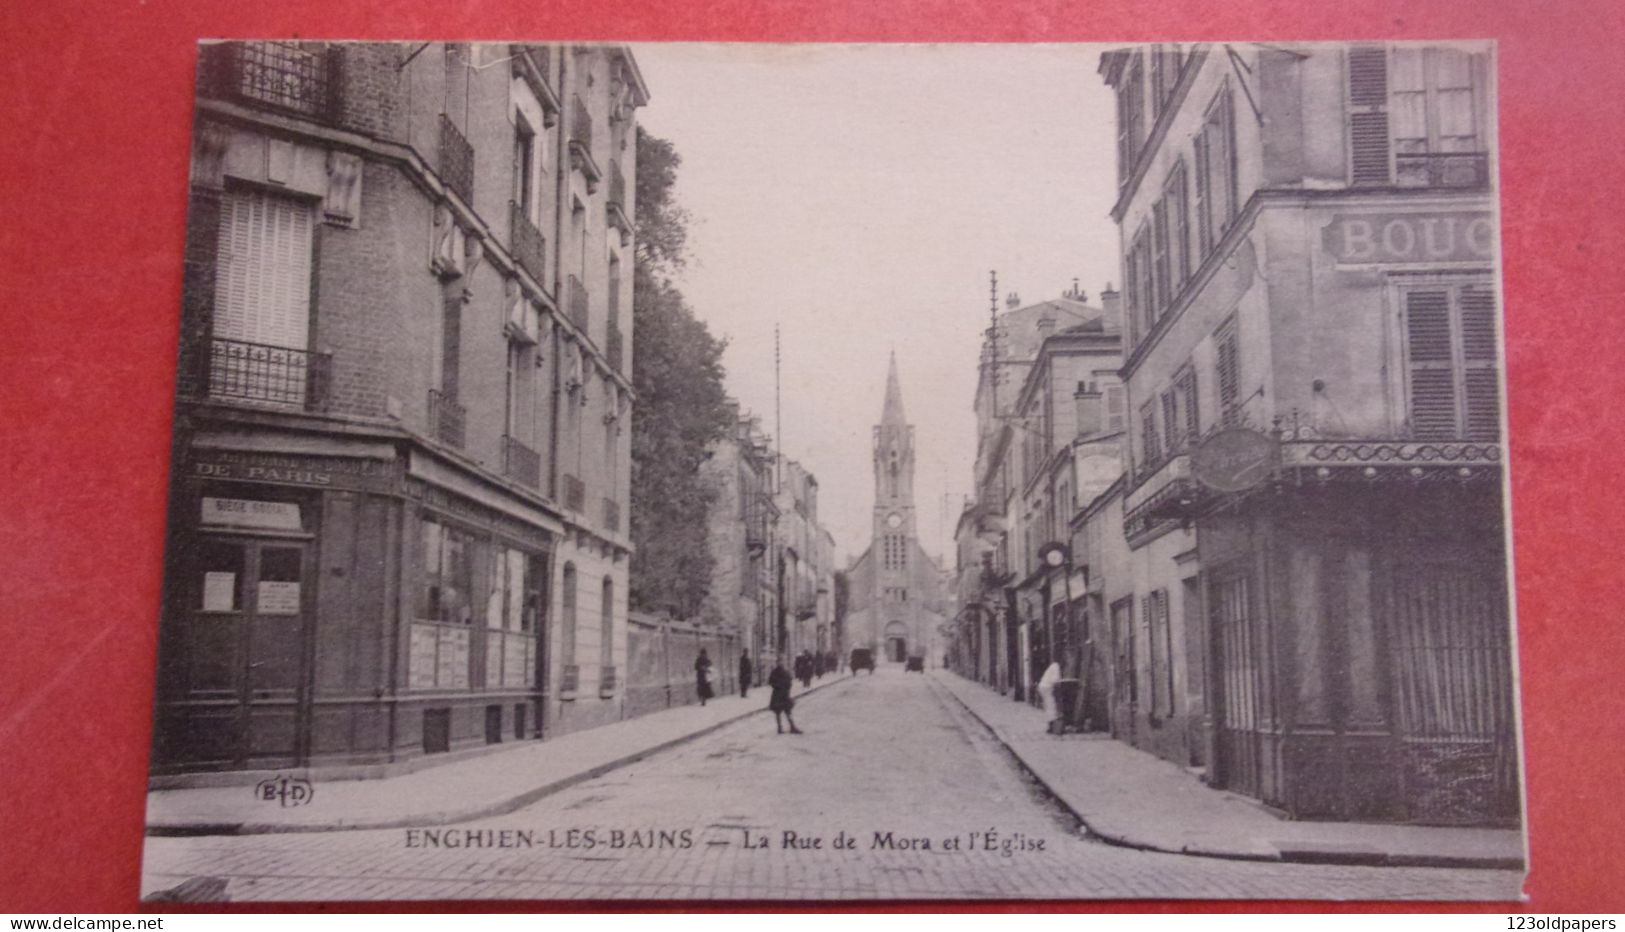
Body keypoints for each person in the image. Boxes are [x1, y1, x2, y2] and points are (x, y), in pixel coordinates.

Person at [767, 658, 802, 734]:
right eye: (779, 662)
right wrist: (779, 686)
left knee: (787, 711)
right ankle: (780, 728)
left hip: (784, 694)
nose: (781, 663)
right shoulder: (775, 672)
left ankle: (792, 727)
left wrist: (788, 687)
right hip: (778, 694)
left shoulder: (785, 671)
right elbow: (771, 682)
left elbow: (789, 680)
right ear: (777, 663)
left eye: (782, 661)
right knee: (778, 712)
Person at [1037, 659, 1062, 734]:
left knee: (1048, 706)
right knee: (1051, 706)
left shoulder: (1053, 665)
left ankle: (1051, 725)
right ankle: (1053, 727)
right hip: (1047, 687)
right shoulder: (1056, 666)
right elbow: (1055, 680)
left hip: (1043, 686)